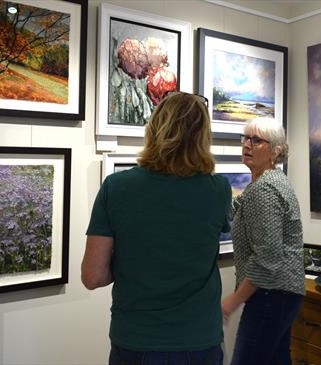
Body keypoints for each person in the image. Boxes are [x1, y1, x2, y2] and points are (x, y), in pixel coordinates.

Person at [81, 92, 232, 365]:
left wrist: (134, 262)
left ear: (154, 129)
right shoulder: (218, 190)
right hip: (199, 339)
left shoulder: (117, 188)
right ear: (203, 137)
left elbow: (92, 276)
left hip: (136, 339)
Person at [221, 118, 305, 365]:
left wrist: (233, 300)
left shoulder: (265, 189)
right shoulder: (265, 183)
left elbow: (267, 257)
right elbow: (234, 211)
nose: (247, 144)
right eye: (245, 138)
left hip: (272, 293)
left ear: (275, 151)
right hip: (283, 293)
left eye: (256, 140)